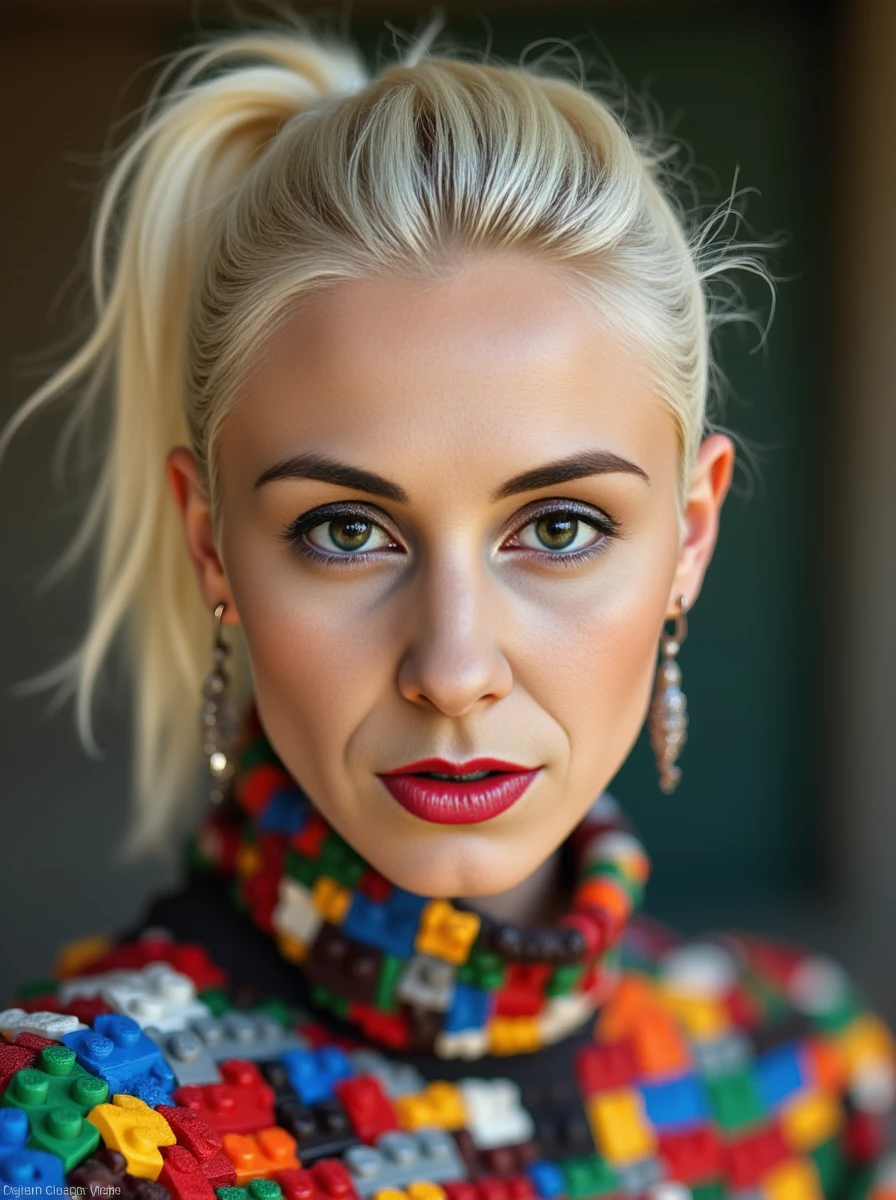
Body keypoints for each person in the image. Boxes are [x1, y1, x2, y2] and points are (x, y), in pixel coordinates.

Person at [2, 18, 894, 1200]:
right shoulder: (76, 1138)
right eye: (346, 531)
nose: (453, 665)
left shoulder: (803, 1078)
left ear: (689, 537)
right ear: (210, 546)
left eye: (559, 528)